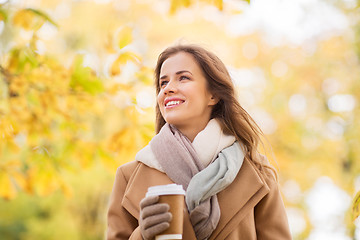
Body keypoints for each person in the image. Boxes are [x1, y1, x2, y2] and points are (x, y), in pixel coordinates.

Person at [107, 44, 292, 240]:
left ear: (213, 95)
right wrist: (142, 236)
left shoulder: (257, 172)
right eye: (163, 83)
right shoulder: (129, 176)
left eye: (183, 78)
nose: (168, 89)